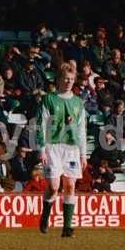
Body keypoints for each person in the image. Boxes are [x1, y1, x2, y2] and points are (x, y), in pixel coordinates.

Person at [37, 62, 87, 237]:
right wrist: (41, 148)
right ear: (59, 79)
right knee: (53, 186)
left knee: (71, 185)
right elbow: (41, 125)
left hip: (71, 148)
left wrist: (83, 153)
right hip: (52, 146)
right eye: (66, 78)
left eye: (72, 79)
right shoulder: (49, 99)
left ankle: (67, 228)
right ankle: (45, 216)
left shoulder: (78, 102)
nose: (69, 82)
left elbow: (82, 129)